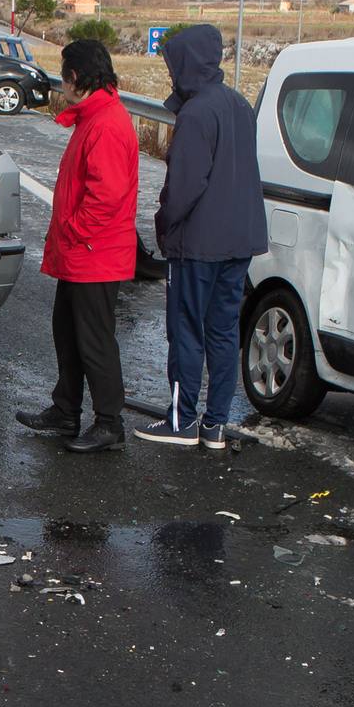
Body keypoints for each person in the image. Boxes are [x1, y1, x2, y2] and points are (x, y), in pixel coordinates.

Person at [137, 24, 266, 451]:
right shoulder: (238, 105)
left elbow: (185, 187)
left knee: (186, 330)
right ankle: (215, 424)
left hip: (198, 243)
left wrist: (163, 223)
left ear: (187, 64)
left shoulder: (195, 114)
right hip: (240, 238)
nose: (172, 74)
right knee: (224, 332)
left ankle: (182, 419)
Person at [15, 40, 136, 453]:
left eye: (64, 75)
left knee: (94, 341)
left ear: (77, 79)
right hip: (82, 252)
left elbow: (107, 197)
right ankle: (65, 410)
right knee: (67, 334)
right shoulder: (94, 117)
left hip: (94, 253)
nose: (60, 84)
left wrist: (74, 230)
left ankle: (109, 423)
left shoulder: (105, 123)